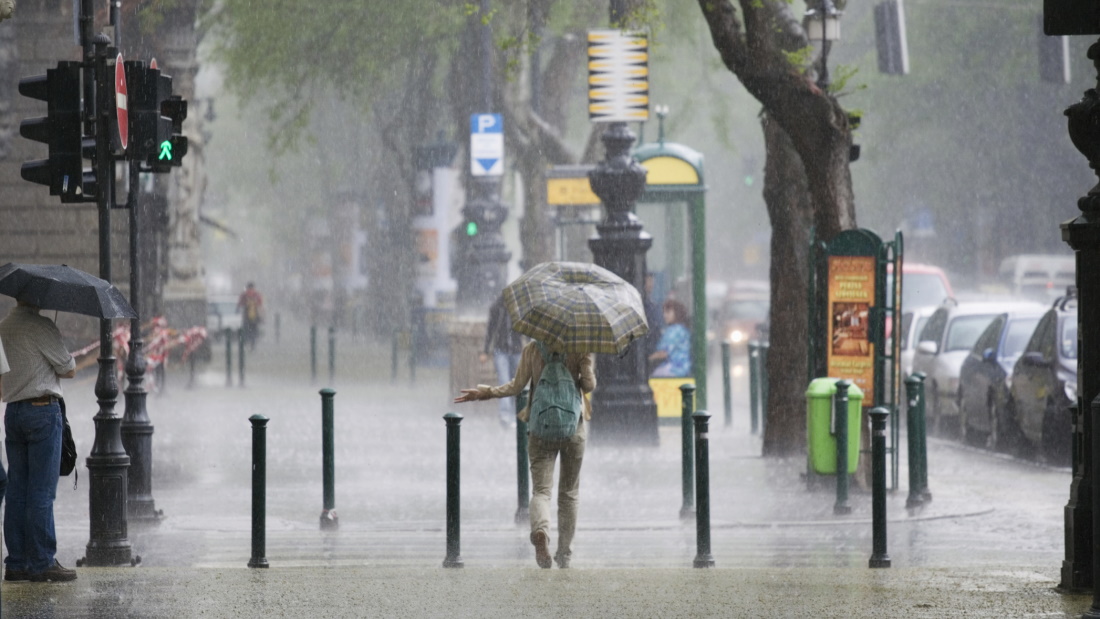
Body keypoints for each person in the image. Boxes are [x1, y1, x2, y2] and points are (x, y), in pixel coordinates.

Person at [454, 339, 595, 569]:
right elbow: (589, 385)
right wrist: (583, 365)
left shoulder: (533, 348)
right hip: (573, 429)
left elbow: (517, 386)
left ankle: (541, 531)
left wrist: (486, 393)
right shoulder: (580, 345)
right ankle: (564, 555)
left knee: (541, 491)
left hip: (541, 428)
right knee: (569, 493)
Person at [0, 300, 77, 582]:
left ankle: (17, 562)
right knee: (42, 492)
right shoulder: (42, 326)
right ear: (38, 298)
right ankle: (43, 561)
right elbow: (69, 369)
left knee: (17, 489)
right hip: (42, 410)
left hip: (14, 413)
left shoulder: (3, 327)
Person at [480, 296, 524, 428]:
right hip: (501, 351)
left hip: (516, 351)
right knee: (504, 381)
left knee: (516, 383)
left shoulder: (520, 310)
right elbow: (490, 330)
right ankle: (505, 415)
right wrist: (486, 351)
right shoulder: (496, 308)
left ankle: (515, 415)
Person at [649, 298, 691, 378]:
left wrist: (648, 359)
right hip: (683, 369)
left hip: (674, 370)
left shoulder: (674, 332)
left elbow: (663, 353)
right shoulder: (682, 329)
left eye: (668, 312)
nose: (665, 315)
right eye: (664, 312)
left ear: (677, 313)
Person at [237, 282, 264, 350]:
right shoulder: (257, 295)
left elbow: (240, 304)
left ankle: (246, 342)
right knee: (254, 330)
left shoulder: (244, 295)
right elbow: (260, 305)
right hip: (255, 316)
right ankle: (253, 343)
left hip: (246, 316)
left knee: (246, 330)